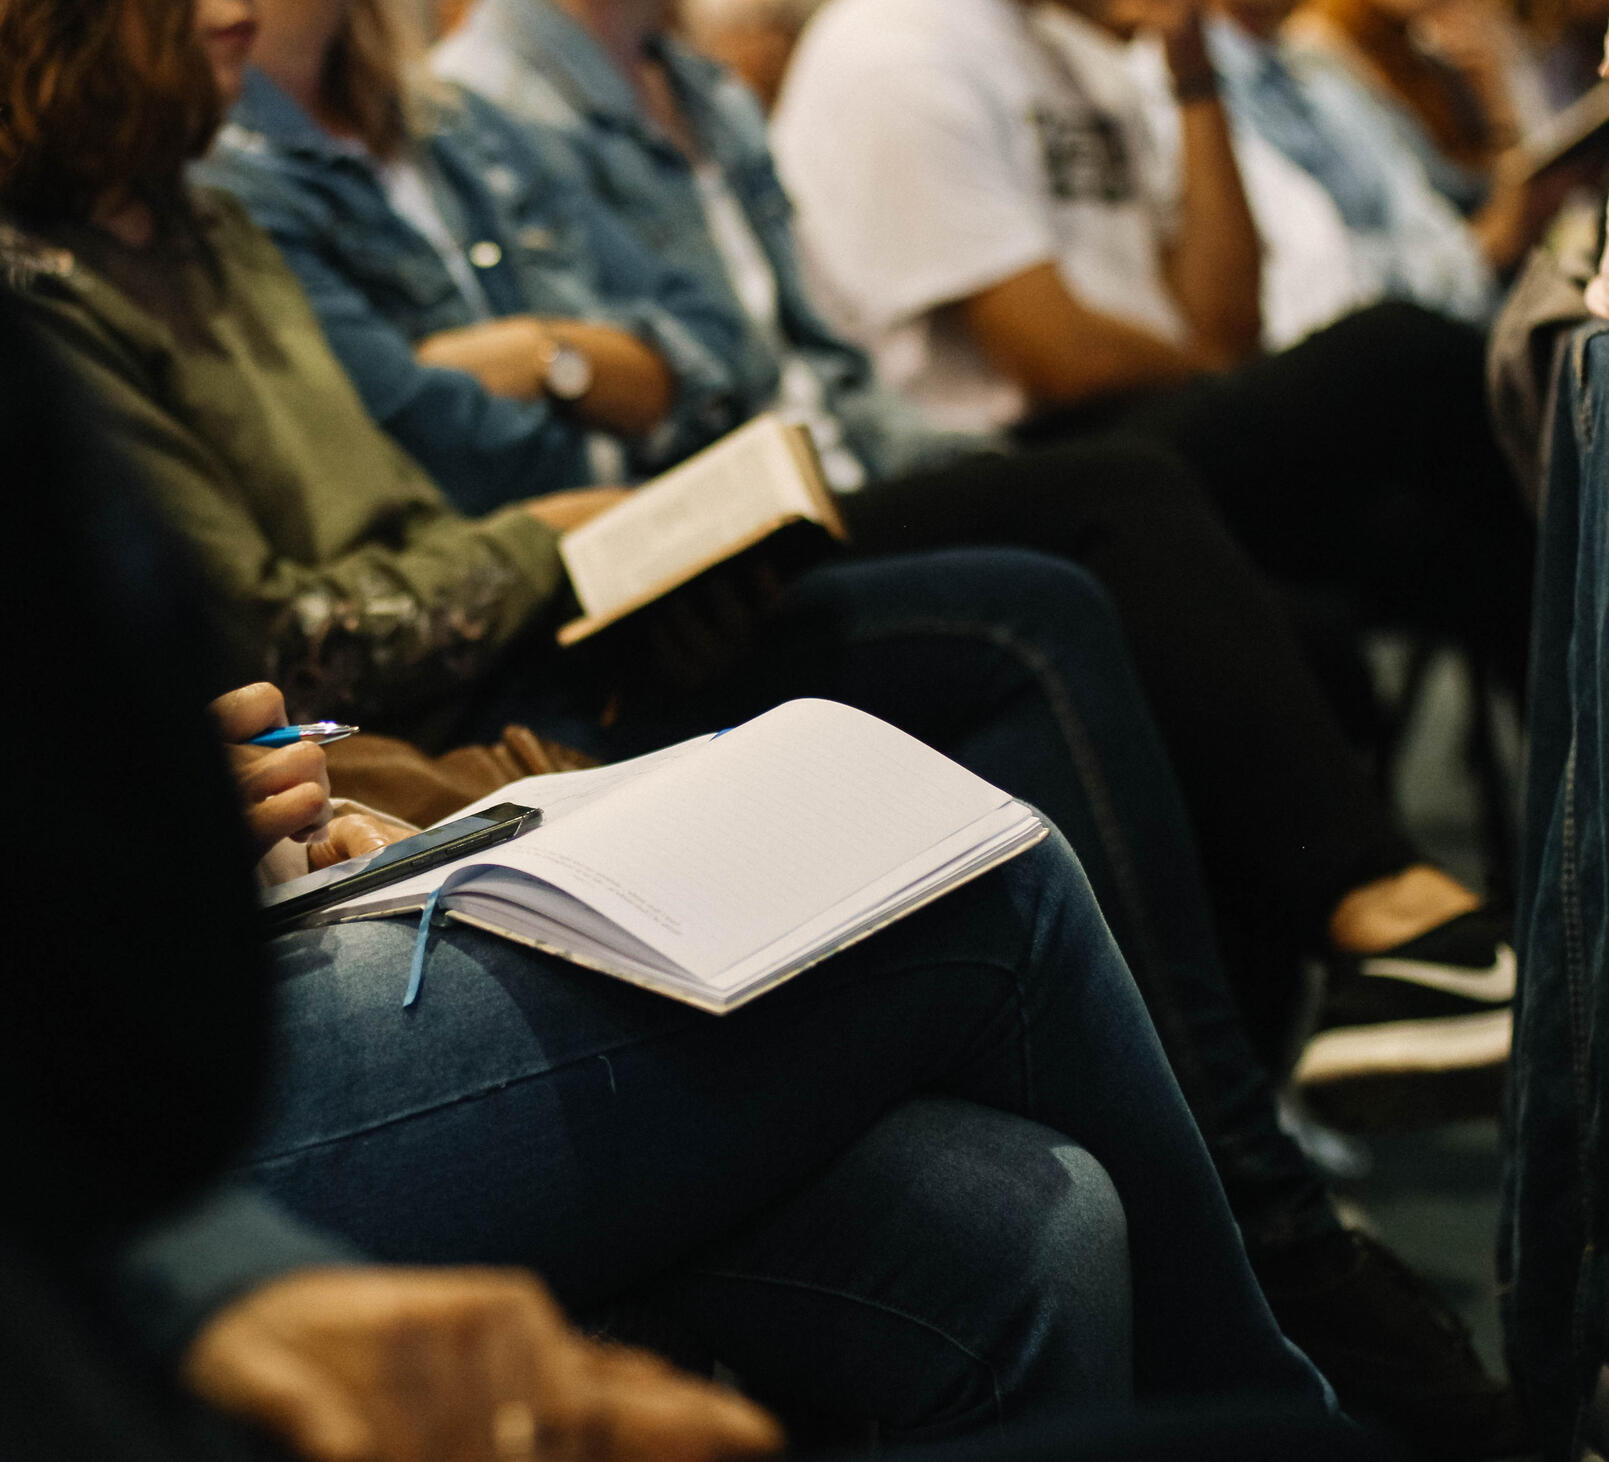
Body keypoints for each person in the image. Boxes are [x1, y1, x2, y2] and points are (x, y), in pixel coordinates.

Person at [0, 281, 1342, 1456]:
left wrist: (217, 818)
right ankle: (1315, 1364)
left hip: (230, 973)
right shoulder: (61, 290)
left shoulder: (212, 230)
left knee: (1037, 1227)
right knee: (981, 877)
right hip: (128, 1109)